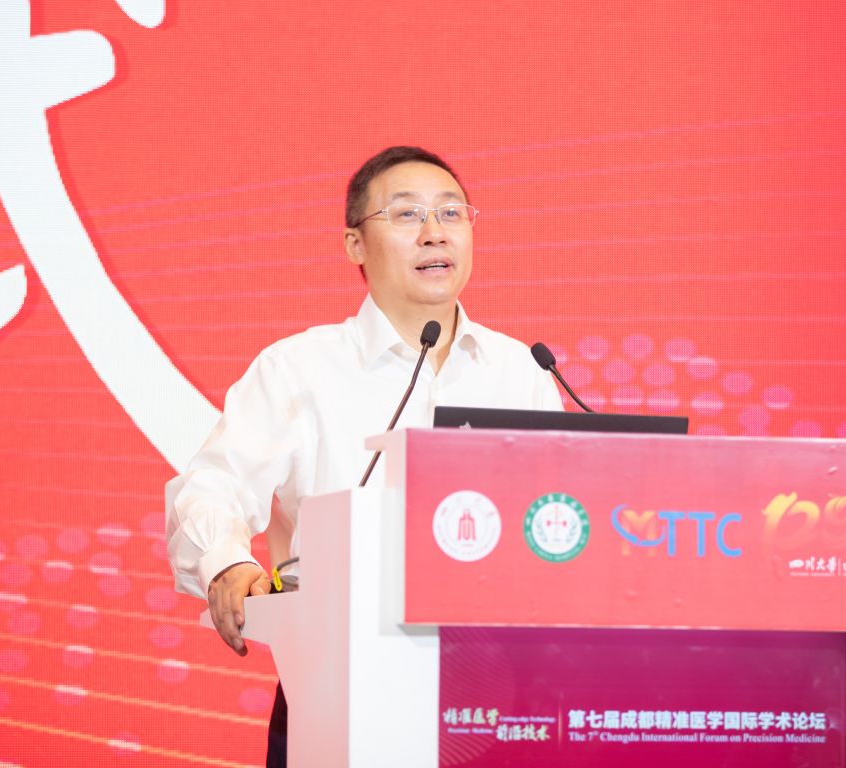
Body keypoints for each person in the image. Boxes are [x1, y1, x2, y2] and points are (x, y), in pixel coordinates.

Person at [165, 146, 562, 766]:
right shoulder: (300, 368)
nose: (434, 232)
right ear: (355, 244)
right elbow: (212, 486)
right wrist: (226, 566)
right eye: (406, 215)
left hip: (496, 693)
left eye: (451, 213)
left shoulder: (524, 371)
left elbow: (560, 518)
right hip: (339, 687)